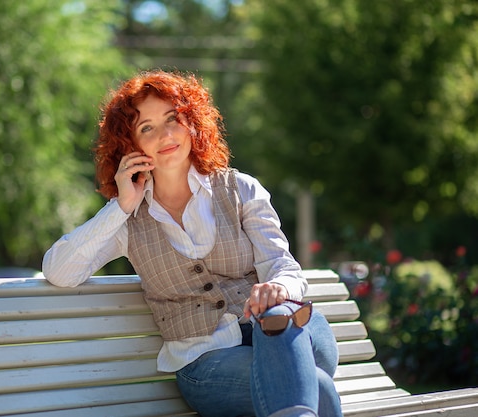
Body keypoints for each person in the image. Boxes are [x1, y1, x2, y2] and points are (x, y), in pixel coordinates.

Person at [43, 69, 342, 417]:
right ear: (130, 146)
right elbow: (59, 271)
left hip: (287, 329)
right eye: (146, 128)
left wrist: (276, 287)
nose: (166, 134)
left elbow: (282, 265)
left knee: (280, 327)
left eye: (173, 119)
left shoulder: (240, 189)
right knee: (315, 387)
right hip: (208, 362)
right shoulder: (128, 219)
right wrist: (121, 206)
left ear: (192, 123)